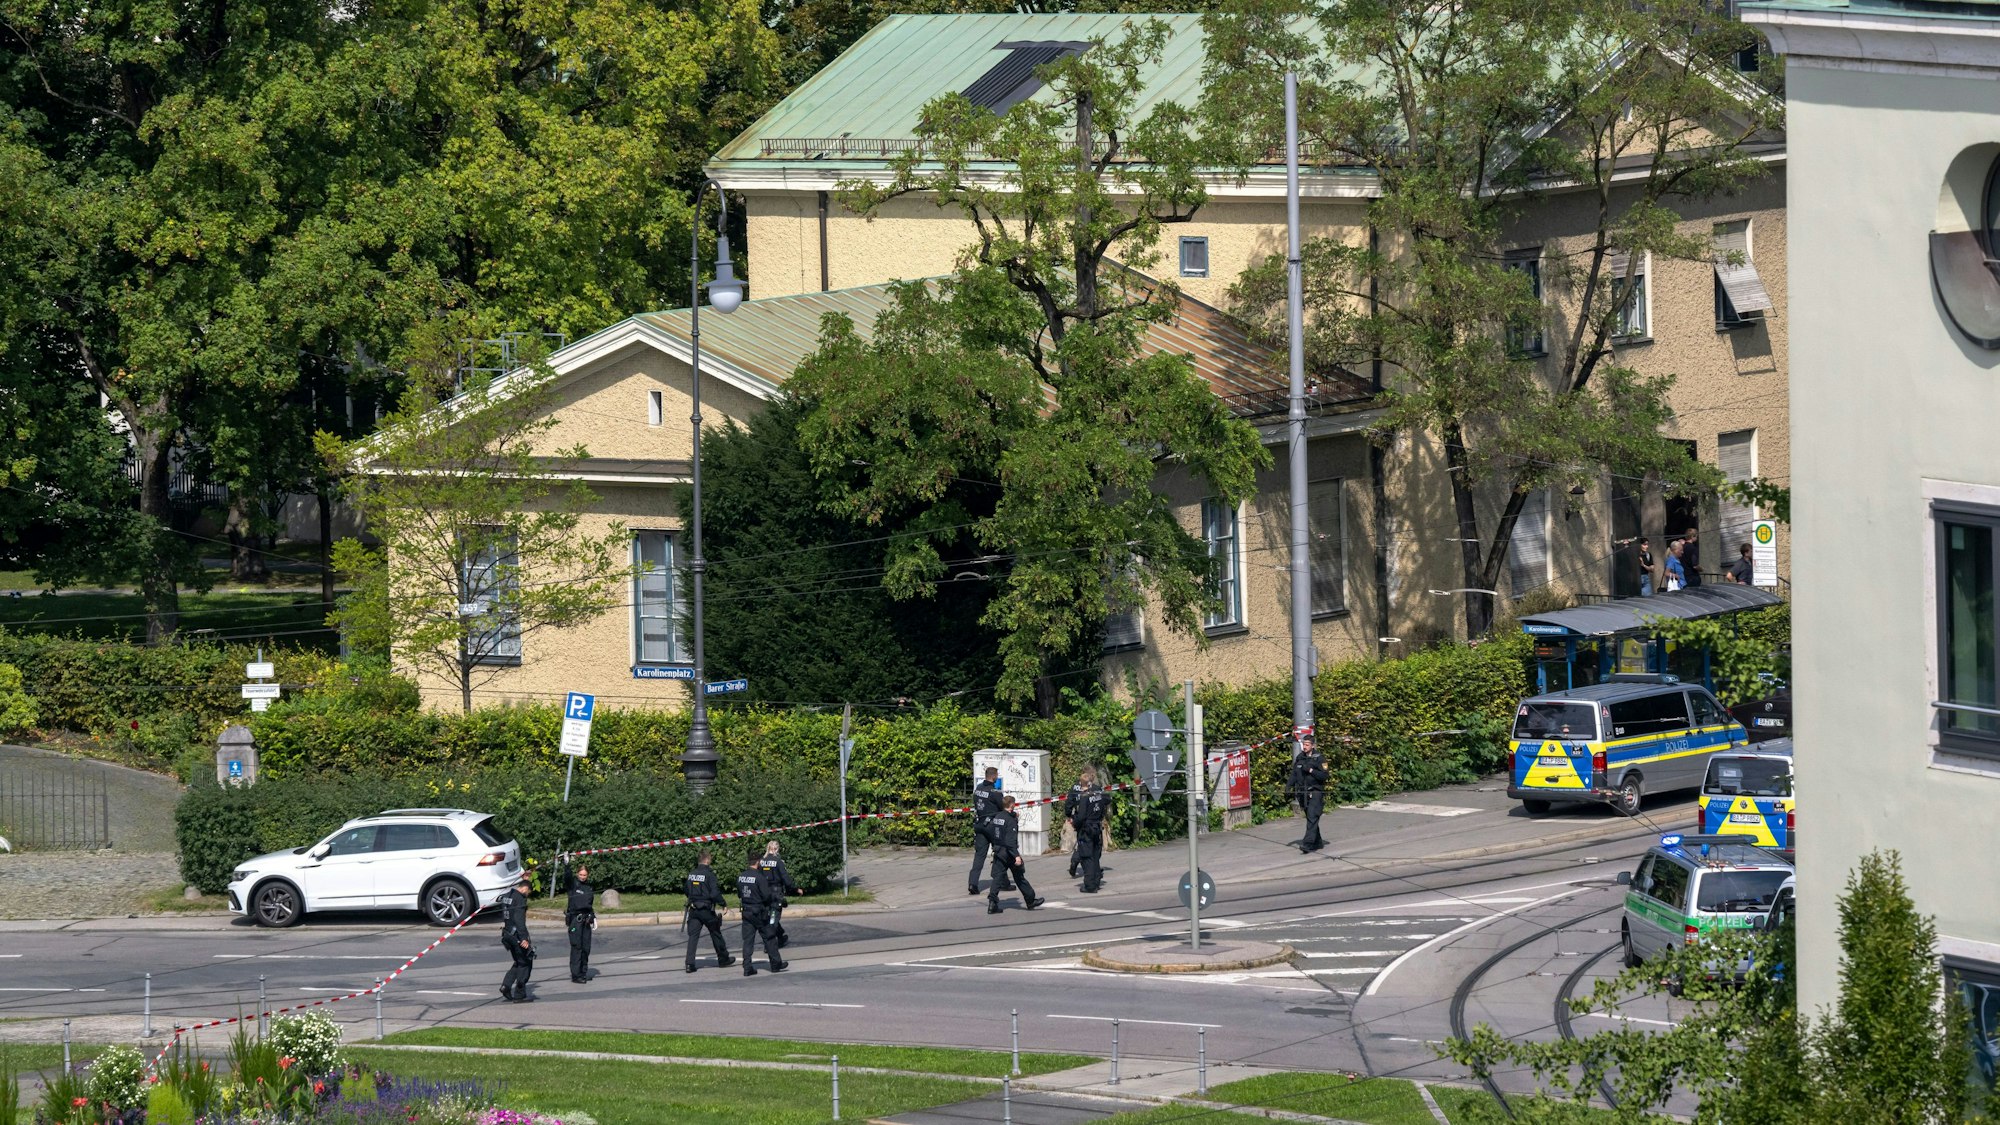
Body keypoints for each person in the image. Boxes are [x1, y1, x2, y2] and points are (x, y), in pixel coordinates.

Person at [983, 795, 1042, 914]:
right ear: (1012, 805)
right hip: (1008, 853)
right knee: (1019, 877)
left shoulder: (998, 817)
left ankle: (992, 903)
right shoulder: (1010, 821)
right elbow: (1010, 841)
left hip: (998, 851)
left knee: (997, 878)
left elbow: (991, 831)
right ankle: (1030, 900)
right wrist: (1016, 856)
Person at [683, 849, 734, 973]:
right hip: (706, 910)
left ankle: (689, 964)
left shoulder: (691, 874)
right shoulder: (709, 874)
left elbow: (686, 890)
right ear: (707, 860)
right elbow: (714, 893)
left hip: (694, 909)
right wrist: (723, 904)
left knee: (693, 937)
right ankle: (723, 959)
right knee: (715, 932)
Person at [735, 852, 786, 976]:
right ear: (758, 862)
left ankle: (747, 968)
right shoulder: (760, 877)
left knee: (748, 940)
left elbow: (739, 894)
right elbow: (766, 896)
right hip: (760, 913)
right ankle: (775, 964)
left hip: (746, 912)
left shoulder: (741, 876)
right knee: (769, 937)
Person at [968, 767, 1012, 895]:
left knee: (979, 856)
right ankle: (1004, 882)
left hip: (980, 824)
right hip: (992, 826)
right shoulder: (995, 792)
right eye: (997, 775)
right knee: (1000, 852)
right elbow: (1003, 808)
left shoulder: (978, 789)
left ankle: (973, 883)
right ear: (994, 777)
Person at [1067, 767, 1109, 893]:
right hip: (1097, 827)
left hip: (1086, 830)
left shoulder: (1085, 797)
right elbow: (1107, 801)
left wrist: (1074, 822)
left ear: (1081, 784)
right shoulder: (1098, 794)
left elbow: (1081, 817)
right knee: (1096, 856)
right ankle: (1096, 881)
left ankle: (1090, 885)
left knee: (1087, 857)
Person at [498, 874, 535, 1003]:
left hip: (507, 935)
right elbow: (519, 921)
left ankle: (506, 986)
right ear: (525, 889)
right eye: (528, 893)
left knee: (518, 962)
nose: (527, 895)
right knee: (525, 962)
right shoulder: (520, 899)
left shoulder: (507, 896)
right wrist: (524, 938)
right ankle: (519, 994)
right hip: (517, 936)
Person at [756, 840, 800, 949]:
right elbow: (786, 879)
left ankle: (780, 937)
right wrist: (795, 889)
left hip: (764, 893)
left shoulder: (761, 862)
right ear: (776, 849)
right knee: (773, 918)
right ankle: (769, 944)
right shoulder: (778, 861)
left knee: (770, 916)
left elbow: (758, 878)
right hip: (776, 893)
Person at [1289, 736, 1329, 854]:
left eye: (1307, 744)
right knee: (1311, 818)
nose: (1304, 747)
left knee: (1312, 817)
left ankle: (1308, 844)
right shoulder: (1300, 758)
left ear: (1312, 745)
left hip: (1315, 792)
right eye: (1303, 744)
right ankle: (1317, 841)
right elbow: (1294, 774)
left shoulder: (1319, 759)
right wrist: (1288, 786)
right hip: (1303, 793)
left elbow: (1325, 776)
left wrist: (1311, 770)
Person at [563, 863, 597, 984]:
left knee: (586, 948)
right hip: (575, 920)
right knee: (577, 947)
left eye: (585, 875)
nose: (583, 877)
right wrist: (567, 865)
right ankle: (576, 975)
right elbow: (567, 877)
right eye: (581, 874)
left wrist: (593, 916)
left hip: (586, 920)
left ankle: (583, 972)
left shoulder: (588, 888)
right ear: (577, 874)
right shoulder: (573, 885)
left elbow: (589, 905)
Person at [1063, 772, 1090, 879]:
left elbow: (1069, 803)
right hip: (1090, 819)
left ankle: (1076, 861)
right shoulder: (1092, 788)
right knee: (1091, 844)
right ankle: (1090, 866)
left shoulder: (1074, 787)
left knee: (1081, 841)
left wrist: (1070, 816)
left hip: (1078, 819)